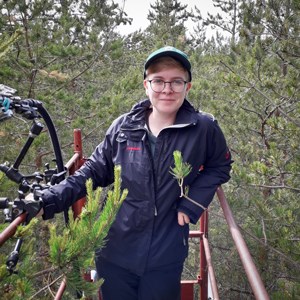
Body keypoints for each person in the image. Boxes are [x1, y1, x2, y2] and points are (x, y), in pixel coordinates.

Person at [36, 46, 232, 300]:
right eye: (158, 81)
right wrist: (46, 200)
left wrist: (192, 203)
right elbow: (91, 172)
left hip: (166, 253)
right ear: (146, 85)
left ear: (188, 87)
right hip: (115, 252)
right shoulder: (123, 127)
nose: (167, 89)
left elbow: (220, 166)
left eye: (176, 81)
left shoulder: (203, 128)